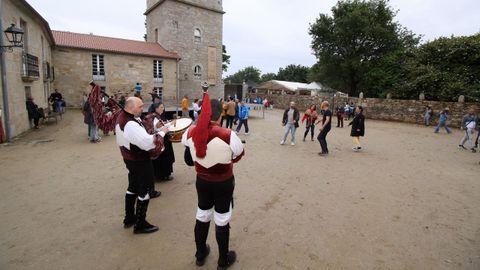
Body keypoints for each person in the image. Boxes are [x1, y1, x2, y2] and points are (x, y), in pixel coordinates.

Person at [181, 84, 244, 270]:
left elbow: (188, 151)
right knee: (222, 219)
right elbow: (238, 155)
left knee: (202, 215)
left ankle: (200, 254)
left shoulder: (190, 132)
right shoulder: (228, 134)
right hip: (223, 183)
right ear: (220, 115)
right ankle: (222, 261)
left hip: (202, 181)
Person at [115, 97, 168, 234]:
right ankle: (140, 224)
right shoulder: (130, 123)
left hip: (130, 159)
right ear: (131, 107)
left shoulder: (122, 117)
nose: (142, 109)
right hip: (139, 160)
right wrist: (163, 132)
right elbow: (148, 143)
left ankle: (129, 217)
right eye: (140, 106)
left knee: (132, 187)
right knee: (144, 190)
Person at [143, 102, 176, 181]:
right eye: (161, 107)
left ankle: (160, 174)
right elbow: (158, 128)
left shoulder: (156, 117)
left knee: (162, 158)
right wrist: (170, 124)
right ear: (156, 108)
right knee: (164, 157)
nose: (163, 108)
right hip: (160, 139)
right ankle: (163, 175)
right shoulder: (154, 117)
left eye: (163, 107)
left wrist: (170, 123)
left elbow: (161, 126)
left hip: (160, 138)